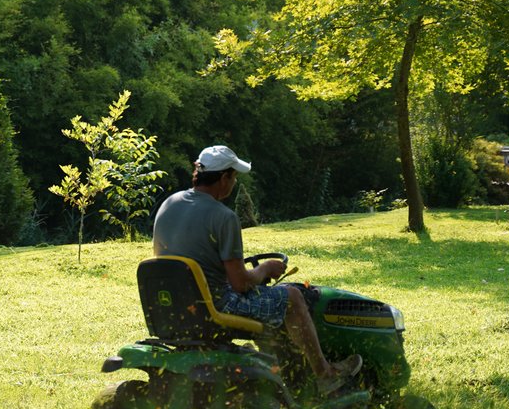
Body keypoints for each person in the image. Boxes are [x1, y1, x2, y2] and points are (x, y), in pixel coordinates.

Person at [152, 145, 362, 395]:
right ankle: (325, 374)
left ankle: (283, 373)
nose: (234, 183)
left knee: (270, 300)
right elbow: (241, 283)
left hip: (175, 306)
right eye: (234, 177)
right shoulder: (223, 217)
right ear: (223, 178)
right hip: (216, 306)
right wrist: (265, 269)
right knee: (292, 297)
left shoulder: (169, 204)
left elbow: (176, 262)